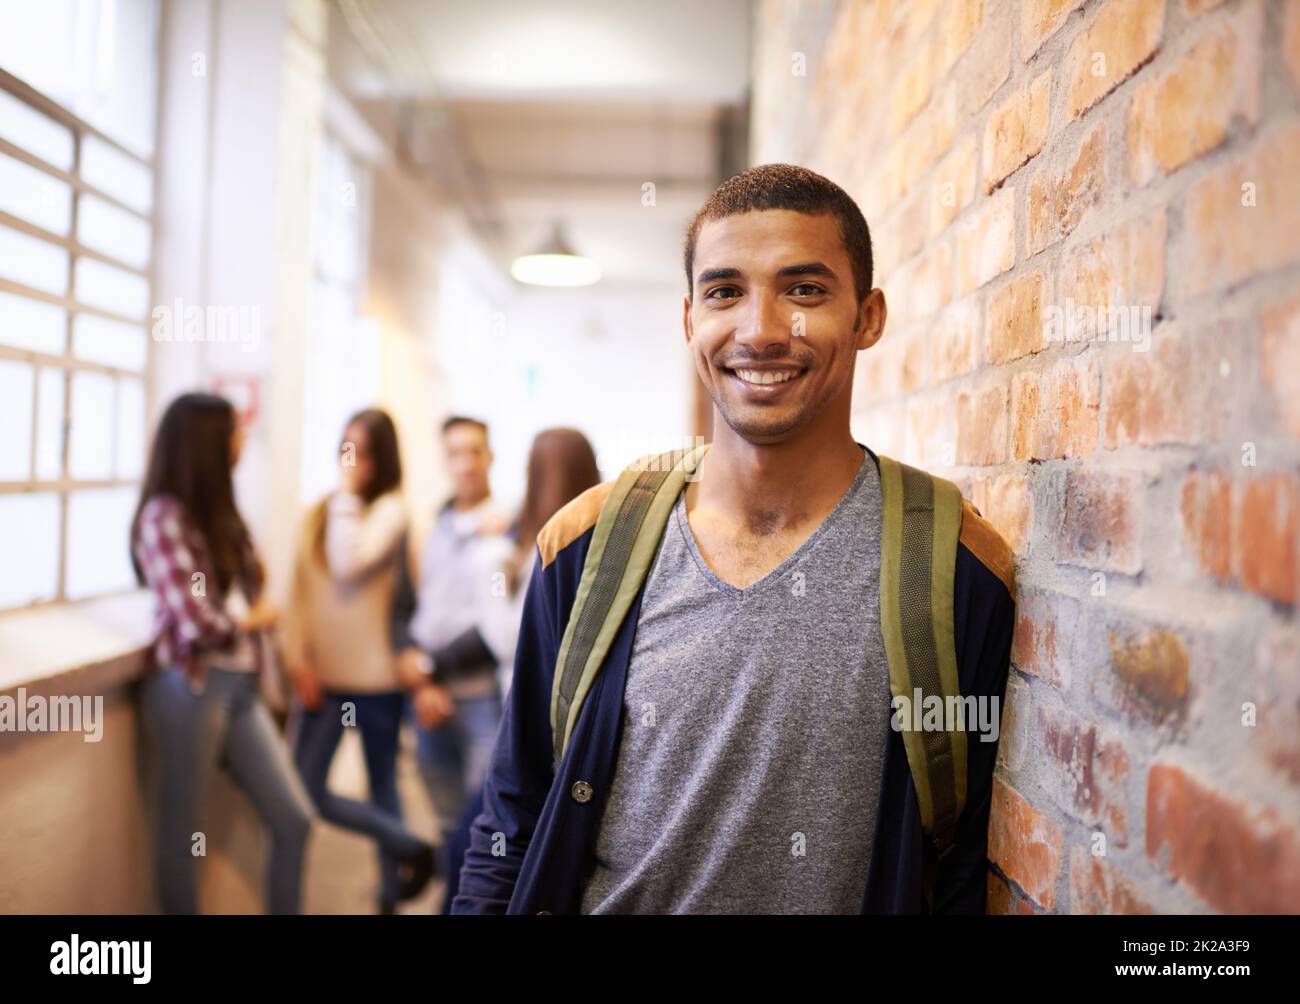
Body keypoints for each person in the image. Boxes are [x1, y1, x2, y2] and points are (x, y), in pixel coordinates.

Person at [452, 164, 1016, 915]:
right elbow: (513, 815)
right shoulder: (587, 549)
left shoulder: (953, 571)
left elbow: (959, 866)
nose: (759, 330)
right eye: (725, 292)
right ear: (690, 319)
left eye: (805, 290)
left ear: (868, 316)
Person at [132, 392, 314, 915]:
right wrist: (254, 617)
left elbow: (252, 585)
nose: (242, 442)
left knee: (293, 819)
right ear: (207, 444)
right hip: (190, 687)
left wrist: (253, 607)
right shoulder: (164, 516)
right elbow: (199, 622)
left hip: (238, 686)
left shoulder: (221, 511)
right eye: (234, 433)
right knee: (181, 832)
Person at [433, 427, 601, 911]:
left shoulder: (532, 549)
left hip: (531, 726)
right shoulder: (596, 542)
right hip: (581, 729)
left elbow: (507, 640)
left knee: (481, 841)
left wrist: (492, 562)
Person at [281, 408, 438, 915]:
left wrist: (346, 494)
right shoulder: (321, 511)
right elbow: (300, 592)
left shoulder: (390, 511)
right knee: (303, 791)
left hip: (376, 682)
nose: (351, 461)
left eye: (363, 452)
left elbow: (349, 565)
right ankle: (409, 844)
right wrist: (297, 661)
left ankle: (389, 900)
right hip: (322, 682)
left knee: (383, 787)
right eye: (345, 447)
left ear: (382, 459)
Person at [396, 416, 510, 852]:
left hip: (480, 699)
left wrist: (429, 667)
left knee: (481, 822)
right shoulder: (431, 527)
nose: (465, 464)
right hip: (428, 700)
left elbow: (495, 628)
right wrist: (420, 674)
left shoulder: (507, 528)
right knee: (445, 821)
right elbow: (410, 605)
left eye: (474, 451)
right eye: (455, 453)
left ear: (490, 457)